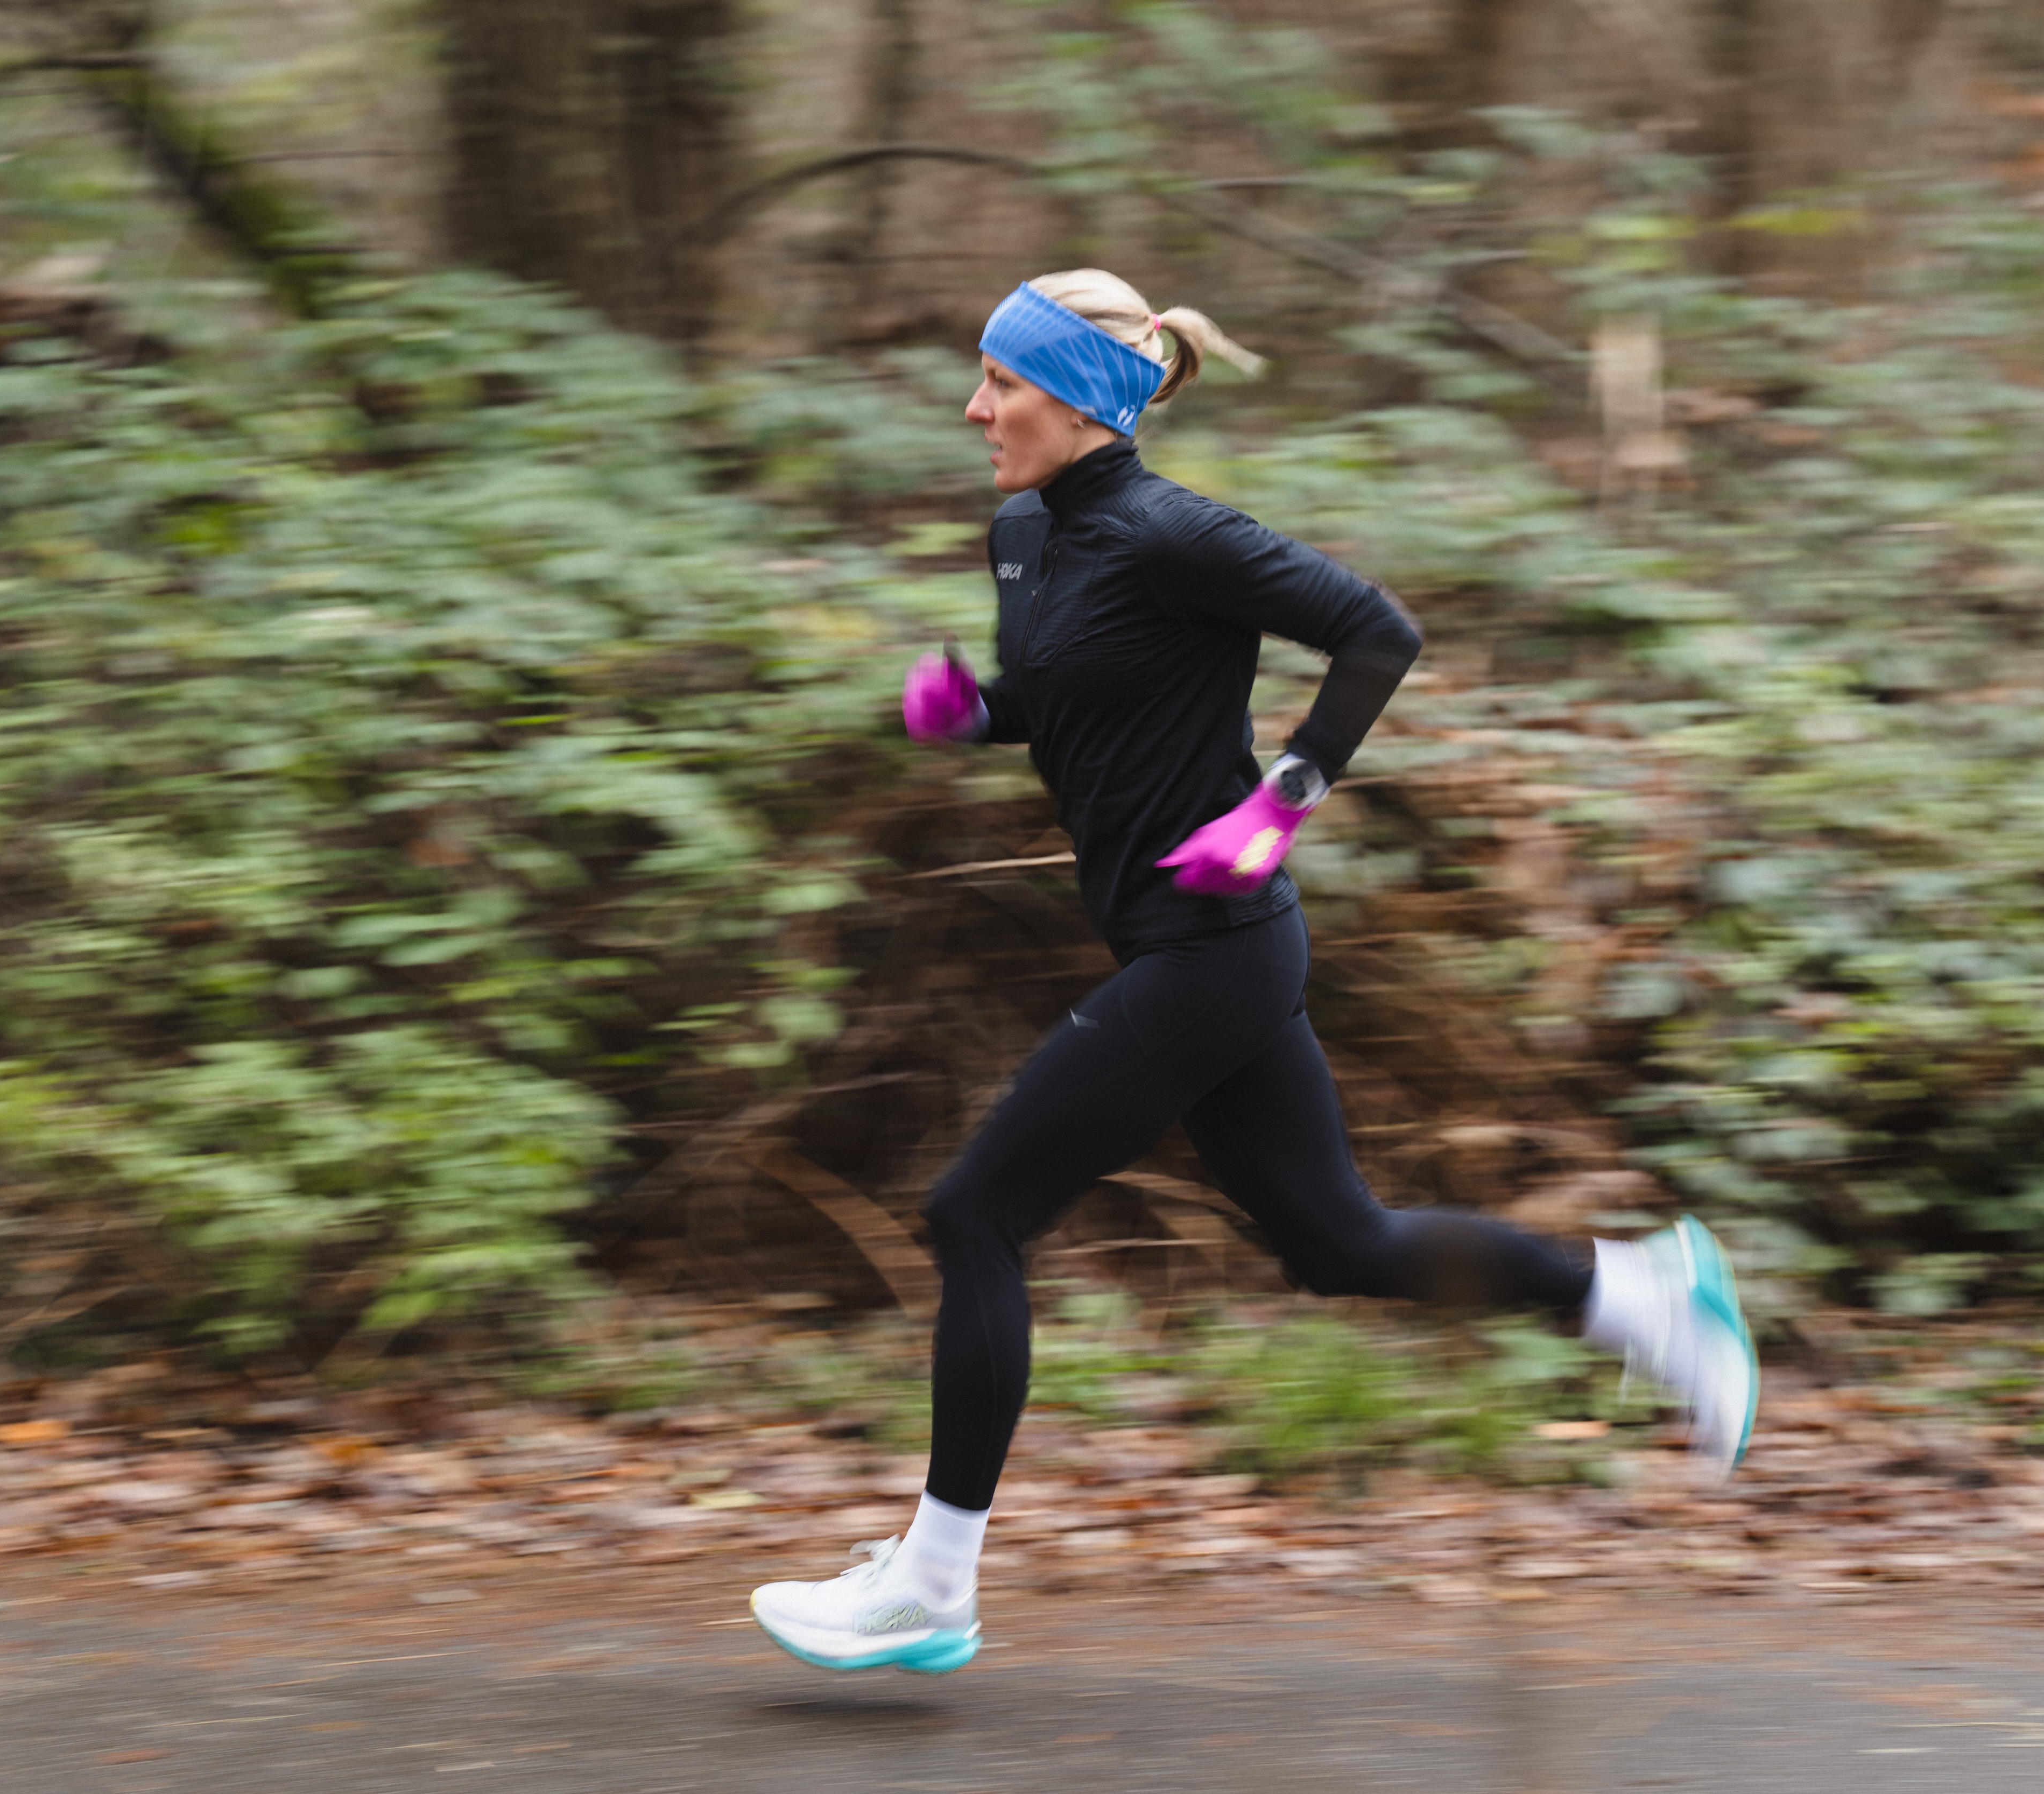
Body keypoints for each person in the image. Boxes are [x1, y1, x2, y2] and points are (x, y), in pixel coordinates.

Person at [747, 271, 1756, 1677]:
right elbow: (1071, 696)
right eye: (980, 380)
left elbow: (1377, 632)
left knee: (975, 1213)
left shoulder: (1179, 534)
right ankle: (1637, 1295)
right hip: (1190, 949)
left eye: (1005, 385)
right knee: (1338, 1247)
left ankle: (933, 1582)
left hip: (1212, 950)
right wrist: (980, 712)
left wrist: (1283, 794)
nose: (976, 408)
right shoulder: (1027, 532)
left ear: (1083, 399)